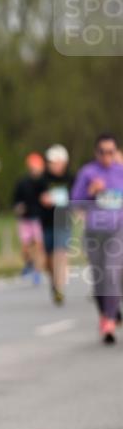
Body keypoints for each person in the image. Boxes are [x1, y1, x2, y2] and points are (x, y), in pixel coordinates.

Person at [70, 133, 123, 344]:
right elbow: (75, 201)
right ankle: (106, 314)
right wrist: (91, 191)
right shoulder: (88, 172)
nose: (106, 156)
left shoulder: (121, 172)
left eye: (111, 152)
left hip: (117, 229)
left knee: (111, 272)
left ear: (116, 152)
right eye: (102, 152)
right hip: (94, 231)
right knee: (99, 276)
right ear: (96, 152)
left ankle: (109, 319)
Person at [39, 144, 75, 305]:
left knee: (60, 252)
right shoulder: (42, 180)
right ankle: (54, 282)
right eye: (52, 162)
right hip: (46, 220)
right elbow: (32, 200)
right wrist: (42, 200)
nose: (55, 165)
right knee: (48, 257)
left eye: (58, 162)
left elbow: (77, 198)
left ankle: (59, 287)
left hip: (63, 219)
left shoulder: (71, 179)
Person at [12, 152, 48, 286]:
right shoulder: (22, 183)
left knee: (39, 246)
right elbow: (15, 201)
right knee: (26, 247)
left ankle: (37, 272)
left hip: (39, 218)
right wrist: (18, 207)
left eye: (37, 166)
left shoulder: (44, 182)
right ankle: (29, 263)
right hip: (25, 218)